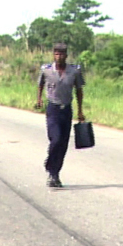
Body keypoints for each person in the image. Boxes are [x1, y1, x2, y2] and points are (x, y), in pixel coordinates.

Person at [35, 42, 85, 188]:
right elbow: (40, 85)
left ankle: (54, 174)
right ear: (53, 54)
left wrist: (80, 111)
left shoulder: (74, 71)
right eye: (56, 53)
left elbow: (79, 90)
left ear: (66, 55)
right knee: (55, 139)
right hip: (53, 109)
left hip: (67, 109)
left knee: (63, 144)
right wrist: (38, 100)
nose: (59, 56)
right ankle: (51, 164)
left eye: (62, 54)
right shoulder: (46, 70)